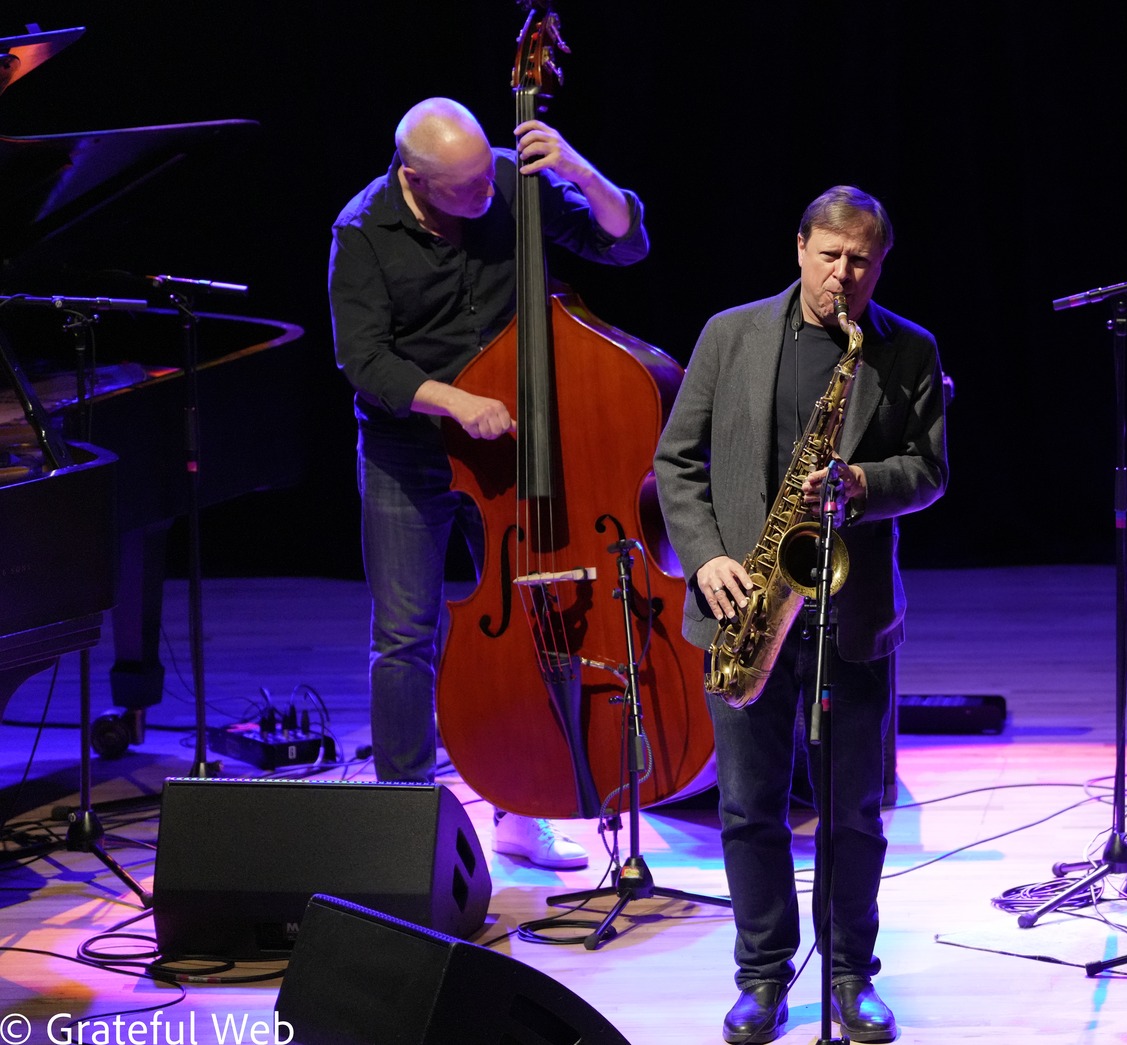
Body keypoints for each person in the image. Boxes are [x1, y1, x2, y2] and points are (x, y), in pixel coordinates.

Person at [655, 186, 946, 1045]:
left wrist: (862, 483)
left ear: (879, 264)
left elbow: (930, 471)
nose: (842, 276)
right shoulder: (729, 333)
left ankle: (851, 972)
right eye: (829, 256)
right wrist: (706, 555)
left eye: (860, 261)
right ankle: (762, 972)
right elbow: (676, 462)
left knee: (854, 812)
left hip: (849, 615)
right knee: (749, 806)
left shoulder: (908, 348)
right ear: (800, 248)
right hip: (744, 604)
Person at [327, 96, 650, 869]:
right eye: (465, 187)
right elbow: (363, 360)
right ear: (413, 178)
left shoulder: (506, 179)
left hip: (506, 449)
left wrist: (579, 170)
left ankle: (521, 806)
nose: (486, 193)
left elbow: (624, 243)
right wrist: (455, 401)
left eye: (486, 177)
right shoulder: (362, 230)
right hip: (410, 450)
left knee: (535, 620)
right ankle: (406, 821)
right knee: (405, 636)